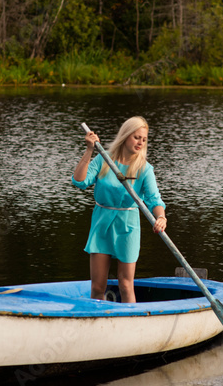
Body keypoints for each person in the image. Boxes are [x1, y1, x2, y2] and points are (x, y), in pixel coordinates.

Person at [71, 116, 166, 303]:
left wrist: (161, 217)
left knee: (125, 284)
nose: (140, 142)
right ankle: (97, 321)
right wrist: (89, 149)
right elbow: (79, 181)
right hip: (102, 221)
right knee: (98, 286)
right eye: (136, 137)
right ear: (125, 136)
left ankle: (130, 324)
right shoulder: (103, 159)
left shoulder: (145, 169)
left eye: (144, 139)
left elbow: (154, 199)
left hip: (128, 224)